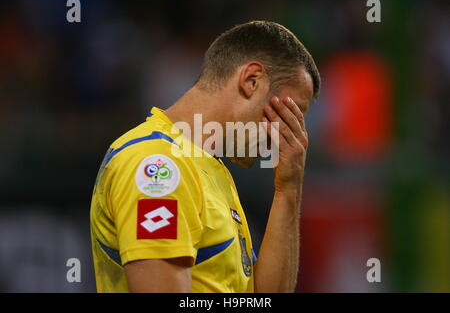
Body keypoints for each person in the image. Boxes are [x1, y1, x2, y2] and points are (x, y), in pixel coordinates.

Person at [90, 20, 321, 293]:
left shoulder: (209, 168)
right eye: (288, 115)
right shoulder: (158, 166)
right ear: (251, 81)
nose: (286, 136)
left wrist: (288, 190)